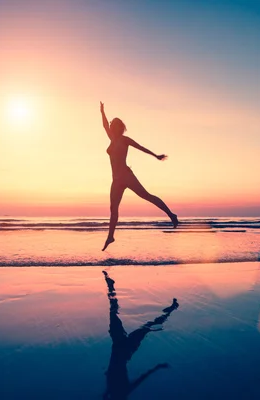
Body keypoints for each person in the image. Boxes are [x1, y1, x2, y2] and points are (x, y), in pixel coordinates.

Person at [100, 102, 178, 251]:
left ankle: (171, 215)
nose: (110, 126)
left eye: (113, 124)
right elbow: (104, 125)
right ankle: (111, 236)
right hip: (116, 180)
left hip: (126, 175)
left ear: (118, 127)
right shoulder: (112, 139)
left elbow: (141, 147)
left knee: (147, 196)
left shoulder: (124, 140)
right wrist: (102, 111)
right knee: (113, 208)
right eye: (111, 124)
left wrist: (155, 155)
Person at [102, 271, 179, 399]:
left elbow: (140, 378)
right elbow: (142, 378)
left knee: (144, 326)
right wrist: (156, 368)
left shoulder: (116, 392)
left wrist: (157, 368)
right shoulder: (120, 391)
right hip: (124, 348)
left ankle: (111, 285)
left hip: (122, 347)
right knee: (145, 326)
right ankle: (171, 310)